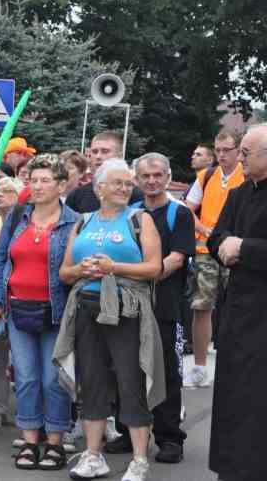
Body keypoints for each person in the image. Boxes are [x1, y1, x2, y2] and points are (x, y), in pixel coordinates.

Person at [55, 158, 165, 481]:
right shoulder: (83, 222)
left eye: (128, 183)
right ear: (98, 187)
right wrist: (81, 270)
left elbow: (154, 268)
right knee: (91, 382)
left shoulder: (139, 219)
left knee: (132, 382)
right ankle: (93, 455)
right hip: (87, 309)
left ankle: (140, 460)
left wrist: (113, 268)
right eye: (117, 182)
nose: (125, 188)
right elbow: (64, 272)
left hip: (127, 311)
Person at [0, 154, 78, 470]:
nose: (37, 186)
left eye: (45, 181)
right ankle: (29, 441)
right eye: (33, 180)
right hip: (18, 309)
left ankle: (55, 441)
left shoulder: (75, 220)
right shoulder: (16, 217)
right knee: (25, 378)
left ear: (62, 185)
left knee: (54, 380)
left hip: (57, 312)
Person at [112, 153, 193, 465]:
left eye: (158, 175)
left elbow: (177, 258)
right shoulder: (129, 213)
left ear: (168, 177)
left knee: (166, 373)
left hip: (165, 306)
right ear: (136, 179)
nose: (152, 181)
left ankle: (170, 438)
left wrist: (145, 271)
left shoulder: (179, 214)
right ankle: (127, 430)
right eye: (145, 176)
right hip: (129, 304)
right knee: (126, 369)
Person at [207, 125, 267, 481]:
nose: (238, 159)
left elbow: (237, 244)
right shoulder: (242, 191)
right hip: (238, 312)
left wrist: (243, 248)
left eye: (246, 153)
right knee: (234, 397)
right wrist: (225, 246)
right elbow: (217, 236)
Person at [184, 127, 244, 388]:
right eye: (217, 150)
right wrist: (204, 229)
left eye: (226, 150)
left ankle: (236, 363)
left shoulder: (247, 174)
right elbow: (187, 208)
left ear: (238, 151)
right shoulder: (206, 175)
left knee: (237, 307)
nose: (221, 155)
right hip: (205, 250)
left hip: (236, 251)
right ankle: (199, 366)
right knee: (201, 306)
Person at [65, 131, 144, 213]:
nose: (98, 156)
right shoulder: (76, 196)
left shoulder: (136, 196)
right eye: (94, 152)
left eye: (105, 151)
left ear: (119, 156)